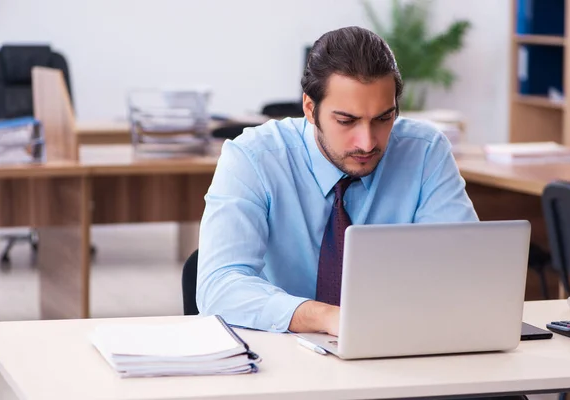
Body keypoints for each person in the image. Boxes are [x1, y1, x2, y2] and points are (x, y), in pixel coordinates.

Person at [196, 26, 478, 336]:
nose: (368, 142)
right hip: (283, 351)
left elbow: (462, 270)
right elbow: (218, 288)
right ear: (310, 109)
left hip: (397, 344)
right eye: (347, 120)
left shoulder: (425, 151)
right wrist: (326, 318)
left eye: (384, 118)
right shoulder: (253, 157)